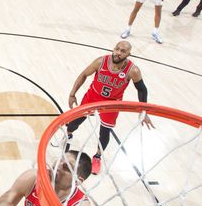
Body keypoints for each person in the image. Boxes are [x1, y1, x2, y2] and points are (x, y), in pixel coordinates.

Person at [64, 41, 153, 174]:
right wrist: (72, 94)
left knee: (105, 132)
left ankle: (97, 157)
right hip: (93, 96)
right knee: (74, 122)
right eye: (117, 49)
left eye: (123, 51)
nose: (118, 52)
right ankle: (68, 136)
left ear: (129, 54)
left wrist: (143, 111)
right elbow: (84, 74)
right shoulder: (101, 61)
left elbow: (142, 90)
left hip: (112, 103)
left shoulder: (133, 70)